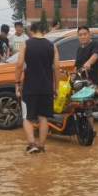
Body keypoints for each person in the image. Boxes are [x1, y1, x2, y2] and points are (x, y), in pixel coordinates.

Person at [15, 21, 60, 154]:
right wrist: (56, 87)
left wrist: (17, 82)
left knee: (27, 117)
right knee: (43, 117)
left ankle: (32, 144)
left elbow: (19, 64)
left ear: (31, 31)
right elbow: (57, 68)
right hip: (46, 87)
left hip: (30, 86)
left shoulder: (26, 44)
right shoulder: (52, 46)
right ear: (44, 31)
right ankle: (41, 145)